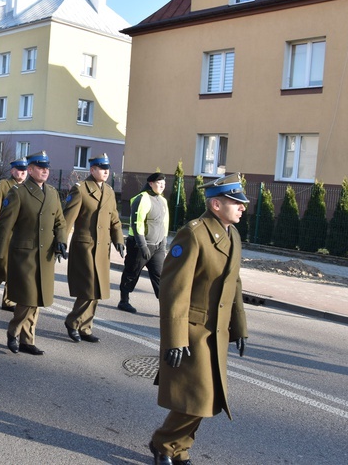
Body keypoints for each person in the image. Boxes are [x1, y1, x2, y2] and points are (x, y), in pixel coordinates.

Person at [149, 172, 249, 465]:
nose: (243, 207)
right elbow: (174, 289)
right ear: (216, 205)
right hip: (193, 331)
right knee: (198, 399)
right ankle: (163, 443)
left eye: (242, 202)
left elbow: (235, 284)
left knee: (207, 400)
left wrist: (240, 327)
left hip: (215, 333)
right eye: (236, 202)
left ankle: (178, 448)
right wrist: (175, 338)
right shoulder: (194, 233)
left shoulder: (233, 235)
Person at [0, 151, 67, 356]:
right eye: (40, 167)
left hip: (45, 256)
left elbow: (60, 221)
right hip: (24, 255)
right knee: (28, 298)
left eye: (47, 167)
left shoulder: (52, 193)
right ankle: (13, 332)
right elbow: (4, 226)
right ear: (30, 170)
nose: (45, 170)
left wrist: (62, 241)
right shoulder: (18, 192)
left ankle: (27, 340)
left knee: (38, 298)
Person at [62, 154, 125, 343]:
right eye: (101, 168)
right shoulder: (80, 189)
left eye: (107, 168)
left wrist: (119, 240)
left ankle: (86, 327)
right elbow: (68, 219)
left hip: (103, 249)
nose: (106, 171)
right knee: (88, 289)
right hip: (85, 247)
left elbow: (114, 219)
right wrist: (61, 242)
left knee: (97, 290)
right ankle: (73, 322)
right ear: (92, 170)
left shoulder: (109, 191)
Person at [118, 172, 169, 314]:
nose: (162, 186)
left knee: (160, 276)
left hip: (157, 246)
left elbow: (164, 224)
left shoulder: (162, 201)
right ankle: (124, 300)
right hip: (140, 245)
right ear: (151, 183)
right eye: (159, 183)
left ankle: (166, 306)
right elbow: (136, 223)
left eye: (164, 184)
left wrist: (163, 245)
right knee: (132, 272)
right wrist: (142, 245)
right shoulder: (142, 199)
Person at [0, 158, 28, 312]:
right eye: (18, 169)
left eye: (24, 170)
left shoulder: (29, 188)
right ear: (12, 170)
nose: (22, 172)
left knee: (15, 270)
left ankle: (8, 301)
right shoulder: (2, 186)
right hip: (4, 235)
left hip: (21, 237)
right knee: (0, 270)